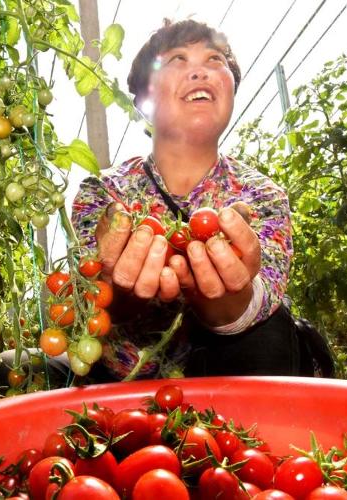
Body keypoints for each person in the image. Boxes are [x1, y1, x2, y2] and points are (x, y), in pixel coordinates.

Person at [71, 19, 332, 381]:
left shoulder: (263, 196)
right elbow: (89, 299)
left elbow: (257, 301)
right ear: (144, 101)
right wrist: (113, 289)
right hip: (121, 385)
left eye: (215, 60)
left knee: (271, 331)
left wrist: (227, 298)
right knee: (14, 366)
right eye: (177, 59)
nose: (199, 71)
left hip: (227, 375)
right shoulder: (102, 194)